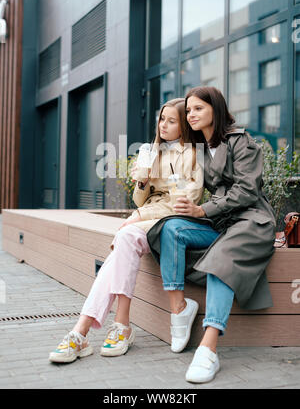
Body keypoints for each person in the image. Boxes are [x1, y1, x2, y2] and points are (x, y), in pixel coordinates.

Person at [49, 98, 204, 363]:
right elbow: (139, 201)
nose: (163, 125)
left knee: (124, 237)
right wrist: (142, 181)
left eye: (171, 120)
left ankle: (88, 331)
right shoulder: (152, 150)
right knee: (123, 242)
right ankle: (100, 328)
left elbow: (183, 202)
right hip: (145, 219)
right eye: (161, 119)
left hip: (170, 221)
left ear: (184, 126)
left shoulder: (193, 155)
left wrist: (140, 216)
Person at [147, 86, 276, 384]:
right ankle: (179, 311)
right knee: (171, 228)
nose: (190, 114)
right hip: (221, 224)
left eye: (198, 109)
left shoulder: (241, 142)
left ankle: (208, 348)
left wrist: (203, 211)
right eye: (189, 110)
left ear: (215, 110)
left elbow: (246, 191)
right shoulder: (200, 148)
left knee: (222, 256)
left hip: (251, 222)